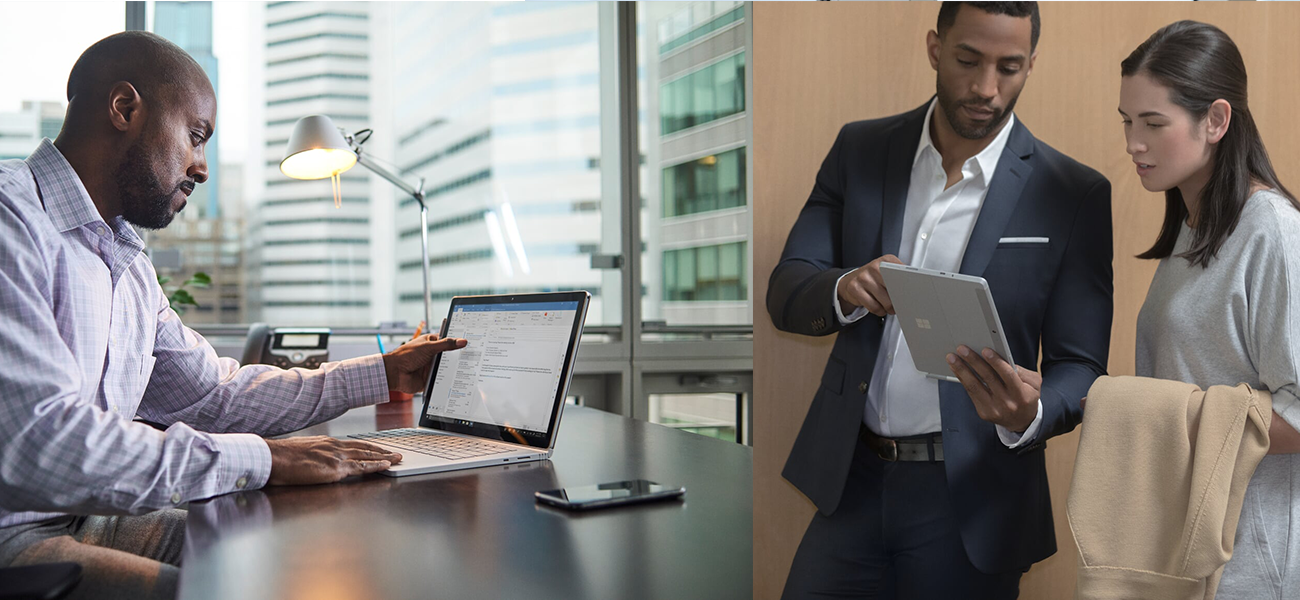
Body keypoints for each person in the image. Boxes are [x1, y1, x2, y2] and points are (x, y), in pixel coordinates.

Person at [0, 32, 467, 599]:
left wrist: (386, 372)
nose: (200, 168)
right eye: (195, 138)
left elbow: (212, 396)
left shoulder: (125, 262)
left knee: (287, 554)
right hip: (16, 539)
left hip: (88, 516)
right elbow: (40, 442)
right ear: (125, 108)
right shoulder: (12, 221)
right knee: (224, 589)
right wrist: (265, 457)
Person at [768, 2, 1113, 598]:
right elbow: (788, 287)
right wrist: (846, 287)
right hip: (850, 480)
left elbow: (1080, 366)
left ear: (1032, 64)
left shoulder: (1073, 192)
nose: (986, 88)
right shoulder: (861, 149)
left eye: (1009, 67)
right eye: (967, 60)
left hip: (974, 497)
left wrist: (1029, 413)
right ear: (935, 48)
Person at [1114, 20, 1300, 598]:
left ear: (1216, 120)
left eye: (1153, 124)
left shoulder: (1272, 232)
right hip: (1184, 546)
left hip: (1249, 561)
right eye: (1126, 122)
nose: (1132, 144)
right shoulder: (1191, 231)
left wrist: (1157, 418)